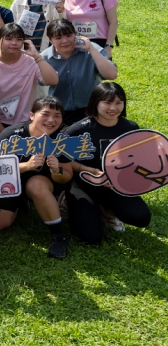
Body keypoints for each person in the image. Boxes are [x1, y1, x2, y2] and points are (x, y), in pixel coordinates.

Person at [63, 82, 152, 243]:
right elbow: (63, 161)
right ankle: (67, 201)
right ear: (95, 102)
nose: (113, 108)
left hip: (115, 184)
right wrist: (90, 171)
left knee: (141, 217)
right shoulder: (78, 130)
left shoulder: (130, 128)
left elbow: (136, 160)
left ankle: (107, 210)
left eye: (118, 103)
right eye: (107, 102)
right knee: (90, 236)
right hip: (83, 183)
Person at [0, 98, 75, 258]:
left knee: (36, 185)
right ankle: (21, 203)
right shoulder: (11, 135)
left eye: (57, 116)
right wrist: (27, 166)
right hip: (11, 180)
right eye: (45, 114)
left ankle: (59, 237)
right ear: (31, 115)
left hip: (42, 183)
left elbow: (67, 176)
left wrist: (57, 169)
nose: (51, 120)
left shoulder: (62, 140)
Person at [0, 24, 60, 135]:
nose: (14, 43)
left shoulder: (30, 61)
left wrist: (37, 57)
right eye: (9, 39)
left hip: (27, 123)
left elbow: (53, 81)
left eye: (19, 39)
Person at [40, 19, 118, 126]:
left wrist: (91, 50)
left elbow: (111, 75)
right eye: (58, 38)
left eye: (69, 35)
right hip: (60, 112)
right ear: (50, 40)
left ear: (75, 34)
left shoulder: (91, 48)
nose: (65, 41)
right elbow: (43, 81)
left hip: (91, 108)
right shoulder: (44, 58)